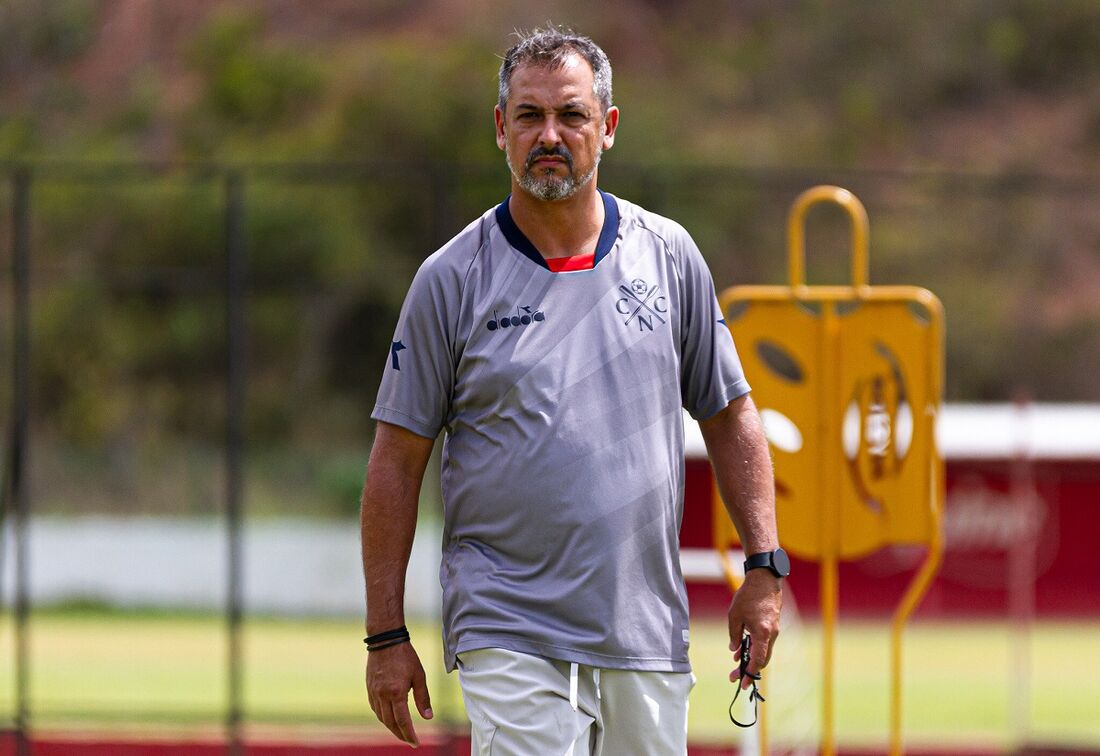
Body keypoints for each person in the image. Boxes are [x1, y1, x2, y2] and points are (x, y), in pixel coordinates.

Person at [360, 26, 784, 754]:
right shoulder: (450, 279)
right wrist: (386, 635)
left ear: (608, 128)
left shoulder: (670, 255)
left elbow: (730, 413)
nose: (548, 134)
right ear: (501, 130)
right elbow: (396, 461)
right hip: (508, 624)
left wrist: (764, 566)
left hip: (643, 629)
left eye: (571, 114)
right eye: (528, 116)